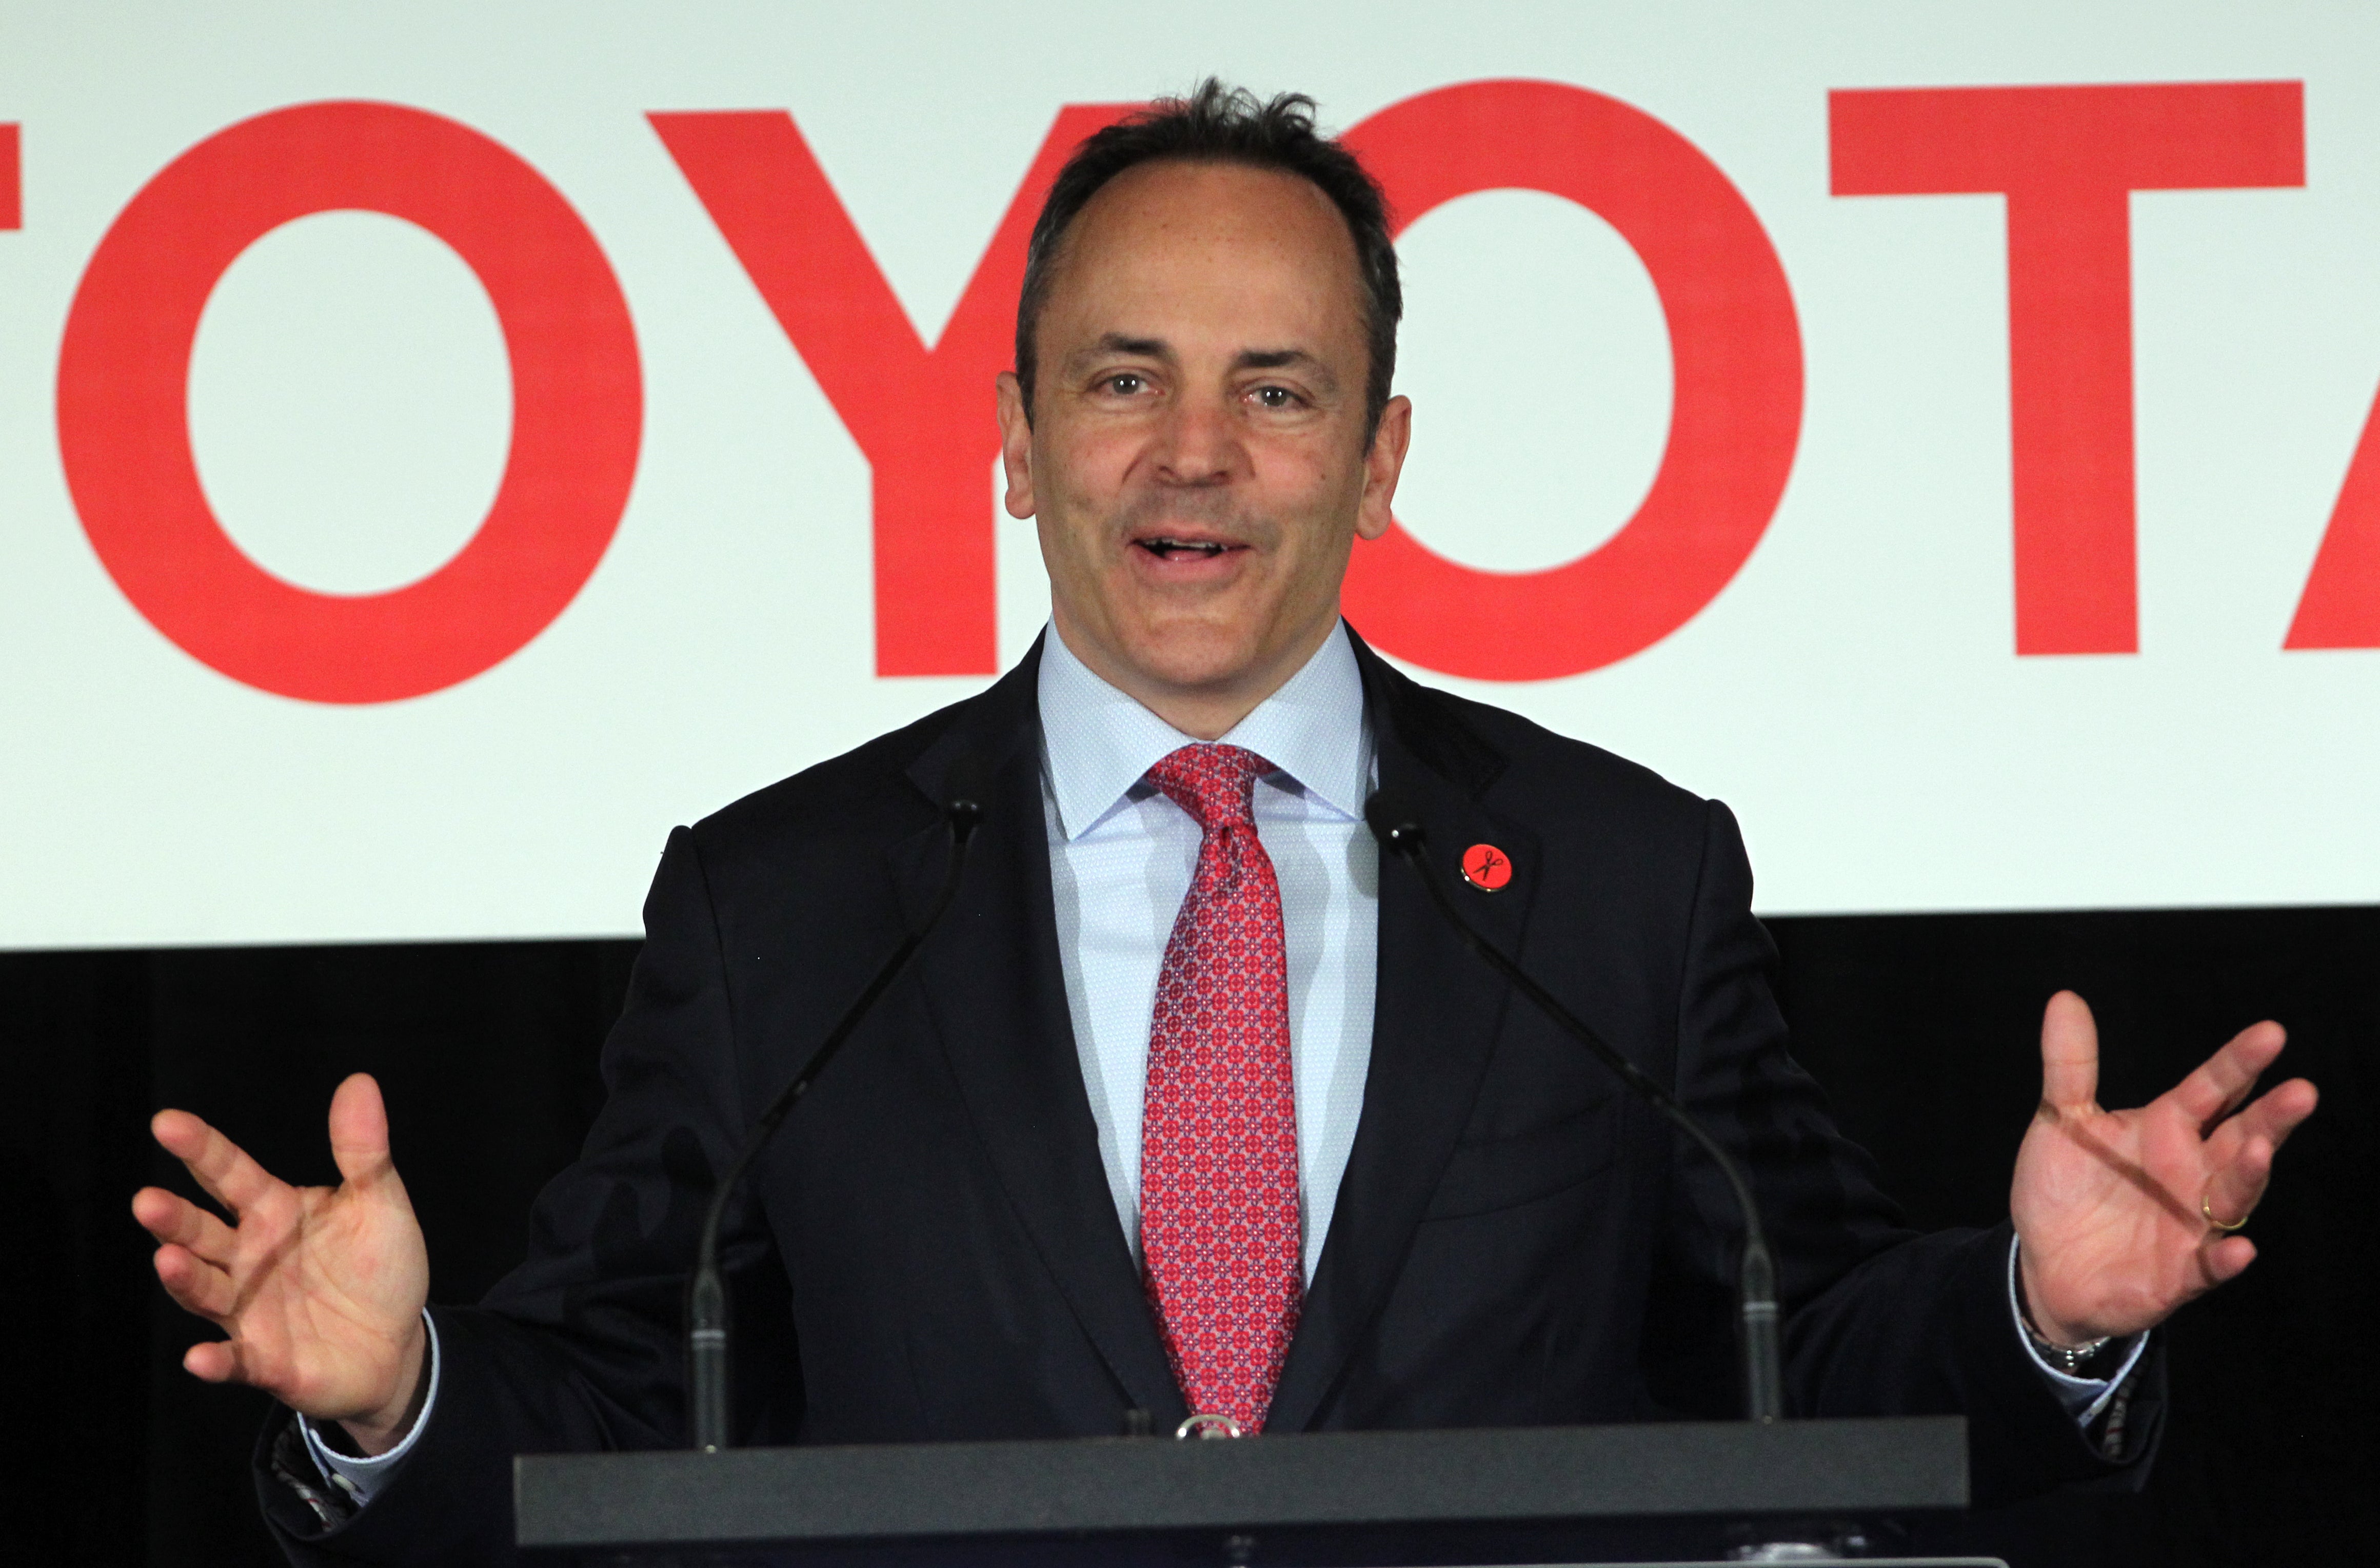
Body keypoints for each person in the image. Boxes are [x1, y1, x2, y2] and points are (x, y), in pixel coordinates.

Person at [133, 83, 2318, 1566]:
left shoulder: (1615, 877)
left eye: (1274, 390)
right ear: (1011, 443)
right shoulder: (784, 904)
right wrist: (397, 1386)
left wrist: (2039, 1304)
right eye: (1121, 376)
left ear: (1374, 457)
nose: (1194, 453)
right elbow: (610, 1392)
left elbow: (1806, 1341)